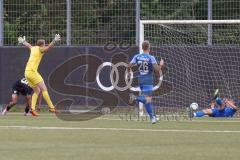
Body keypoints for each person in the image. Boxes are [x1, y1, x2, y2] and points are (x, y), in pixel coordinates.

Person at [18, 34, 61, 116]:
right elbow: (47, 49)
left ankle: (32, 109)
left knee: (37, 91)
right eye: (44, 44)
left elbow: (28, 45)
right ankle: (51, 108)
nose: (44, 45)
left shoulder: (33, 48)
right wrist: (54, 41)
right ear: (42, 45)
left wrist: (23, 41)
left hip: (27, 73)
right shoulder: (40, 49)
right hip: (32, 72)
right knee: (44, 89)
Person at [128, 40, 164, 124]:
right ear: (149, 48)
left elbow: (129, 65)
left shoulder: (137, 56)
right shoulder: (151, 57)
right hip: (148, 79)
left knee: (148, 101)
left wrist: (129, 71)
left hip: (140, 79)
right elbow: (157, 69)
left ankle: (153, 118)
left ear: (142, 47)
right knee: (148, 99)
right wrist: (161, 64)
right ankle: (135, 98)